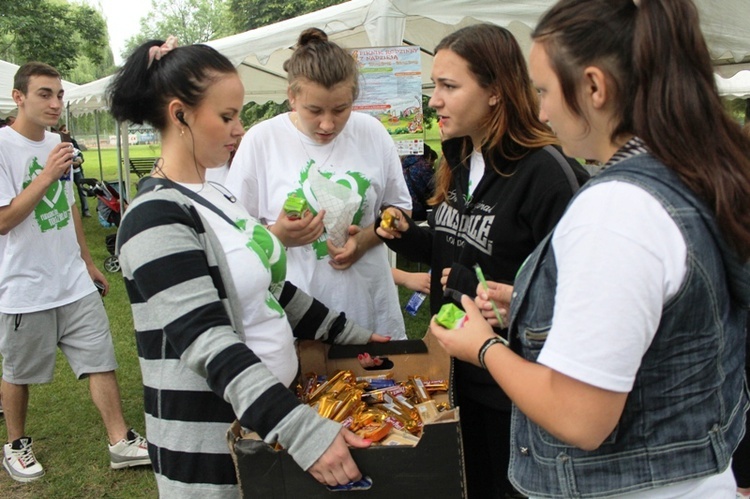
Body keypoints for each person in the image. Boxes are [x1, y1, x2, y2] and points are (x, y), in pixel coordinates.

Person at [430, 1, 750, 497]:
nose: (540, 111)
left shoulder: (616, 210)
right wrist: (533, 307)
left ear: (594, 88)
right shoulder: (690, 174)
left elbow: (580, 418)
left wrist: (483, 347)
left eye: (543, 90)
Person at [109, 37, 391, 497]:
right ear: (180, 114)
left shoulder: (218, 197)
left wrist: (352, 335)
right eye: (227, 117)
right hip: (213, 452)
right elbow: (208, 342)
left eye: (239, 114)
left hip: (261, 425)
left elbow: (270, 288)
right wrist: (303, 432)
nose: (240, 129)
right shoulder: (154, 217)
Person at [377, 23, 588, 498]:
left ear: (495, 91)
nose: (434, 100)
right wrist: (410, 235)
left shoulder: (547, 175)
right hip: (455, 376)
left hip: (518, 396)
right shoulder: (460, 160)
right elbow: (458, 249)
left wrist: (502, 299)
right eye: (436, 87)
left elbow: (578, 293)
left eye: (450, 87)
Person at [0, 62, 150, 483]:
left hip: (72, 280)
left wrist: (86, 262)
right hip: (24, 286)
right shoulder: (3, 147)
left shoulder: (58, 143)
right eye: (45, 94)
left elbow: (67, 210)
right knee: (18, 372)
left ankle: (120, 441)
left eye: (59, 94)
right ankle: (15, 444)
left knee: (100, 359)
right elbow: (4, 221)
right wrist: (47, 174)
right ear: (19, 98)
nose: (55, 102)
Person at [226, 28, 412, 340]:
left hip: (369, 306)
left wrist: (365, 239)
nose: (328, 124)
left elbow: (399, 209)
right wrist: (278, 236)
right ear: (292, 97)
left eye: (341, 110)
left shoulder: (372, 132)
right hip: (298, 319)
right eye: (315, 111)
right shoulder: (262, 141)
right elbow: (232, 236)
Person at [58, 123, 91, 217]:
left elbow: (79, 154)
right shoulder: (57, 143)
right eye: (64, 130)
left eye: (67, 131)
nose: (67, 132)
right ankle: (67, 212)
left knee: (82, 189)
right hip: (65, 172)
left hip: (77, 171)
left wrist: (79, 161)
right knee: (66, 191)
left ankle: (86, 210)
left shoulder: (72, 141)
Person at [401, 143, 437, 221]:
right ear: (429, 155)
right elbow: (434, 187)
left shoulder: (402, 164)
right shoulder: (423, 165)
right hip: (418, 207)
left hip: (403, 205)